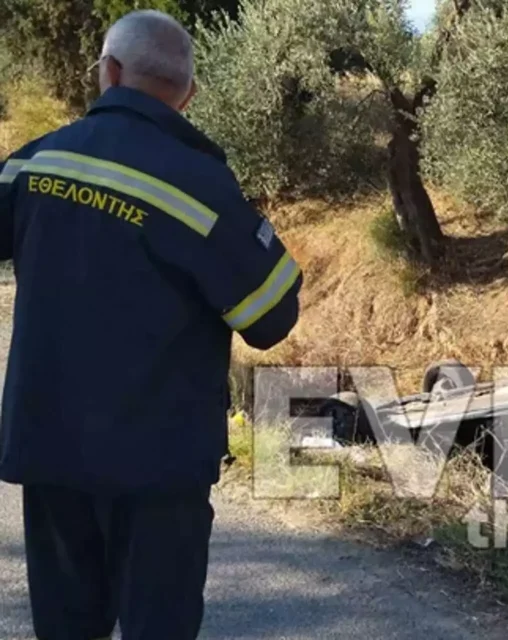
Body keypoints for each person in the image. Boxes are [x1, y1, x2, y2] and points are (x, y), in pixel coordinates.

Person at [0, 9, 302, 640]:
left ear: (108, 73)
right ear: (186, 95)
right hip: (157, 468)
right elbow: (272, 315)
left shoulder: (34, 164)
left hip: (50, 448)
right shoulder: (199, 187)